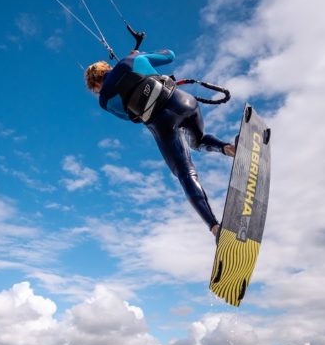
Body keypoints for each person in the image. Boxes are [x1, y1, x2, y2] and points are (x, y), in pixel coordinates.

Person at [85, 50, 235, 238]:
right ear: (107, 67)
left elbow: (131, 117)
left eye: (96, 89)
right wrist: (140, 54)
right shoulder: (131, 59)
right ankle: (230, 148)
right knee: (198, 140)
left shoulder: (104, 100)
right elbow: (170, 55)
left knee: (186, 173)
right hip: (185, 102)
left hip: (162, 124)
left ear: (96, 85)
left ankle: (215, 227)